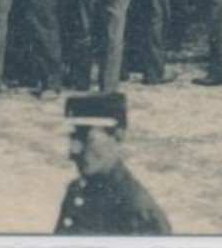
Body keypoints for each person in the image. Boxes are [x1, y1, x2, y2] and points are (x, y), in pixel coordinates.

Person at [54, 92, 171, 236]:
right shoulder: (77, 191)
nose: (73, 150)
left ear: (118, 136)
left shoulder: (137, 212)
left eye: (87, 139)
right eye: (73, 138)